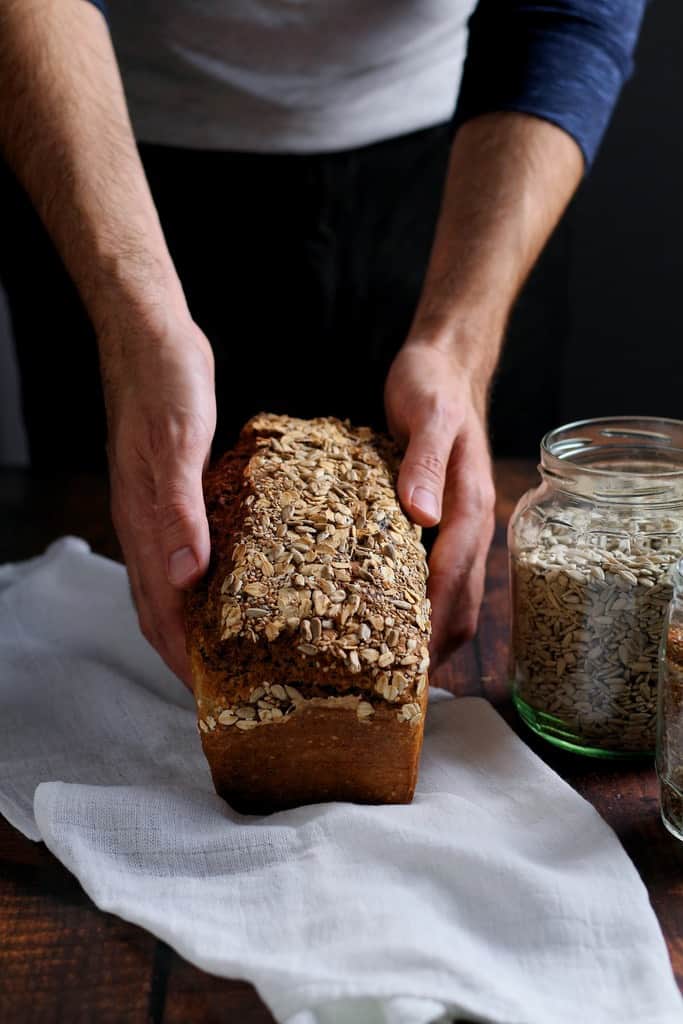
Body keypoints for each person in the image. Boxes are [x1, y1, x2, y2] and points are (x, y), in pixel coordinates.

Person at [0, 0, 646, 687]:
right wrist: (137, 325)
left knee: (434, 548)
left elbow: (566, 15)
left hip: (466, 172)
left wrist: (455, 346)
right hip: (97, 142)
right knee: (124, 570)